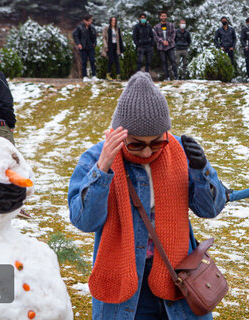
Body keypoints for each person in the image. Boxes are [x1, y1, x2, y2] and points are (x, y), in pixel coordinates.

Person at [68, 71, 226, 319]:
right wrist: (102, 169)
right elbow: (84, 221)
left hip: (178, 281)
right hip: (125, 284)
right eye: (136, 144)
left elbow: (210, 209)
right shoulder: (96, 157)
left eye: (156, 143)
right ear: (119, 133)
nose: (146, 151)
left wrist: (201, 170)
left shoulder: (179, 152)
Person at [153, 11, 178, 80]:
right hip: (161, 47)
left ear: (166, 17)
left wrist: (168, 41)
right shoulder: (156, 27)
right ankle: (167, 77)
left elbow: (173, 34)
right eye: (162, 16)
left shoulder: (171, 25)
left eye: (165, 16)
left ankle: (176, 76)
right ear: (160, 17)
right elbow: (156, 36)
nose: (163, 17)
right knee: (164, 62)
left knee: (173, 61)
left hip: (170, 46)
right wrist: (162, 41)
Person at [73, 14, 98, 82]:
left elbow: (95, 35)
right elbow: (75, 35)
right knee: (84, 62)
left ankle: (94, 75)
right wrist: (78, 43)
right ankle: (84, 76)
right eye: (89, 21)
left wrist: (94, 43)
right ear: (85, 20)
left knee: (92, 61)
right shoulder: (79, 27)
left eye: (91, 21)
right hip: (83, 47)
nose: (90, 22)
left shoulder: (92, 27)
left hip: (90, 46)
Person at [102, 17, 125, 81]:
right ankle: (108, 75)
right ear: (110, 21)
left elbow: (120, 38)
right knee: (111, 60)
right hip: (110, 46)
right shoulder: (107, 29)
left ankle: (118, 76)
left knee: (117, 61)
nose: (113, 22)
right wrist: (106, 46)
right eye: (112, 20)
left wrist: (121, 48)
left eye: (115, 20)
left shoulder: (117, 29)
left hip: (116, 46)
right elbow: (104, 38)